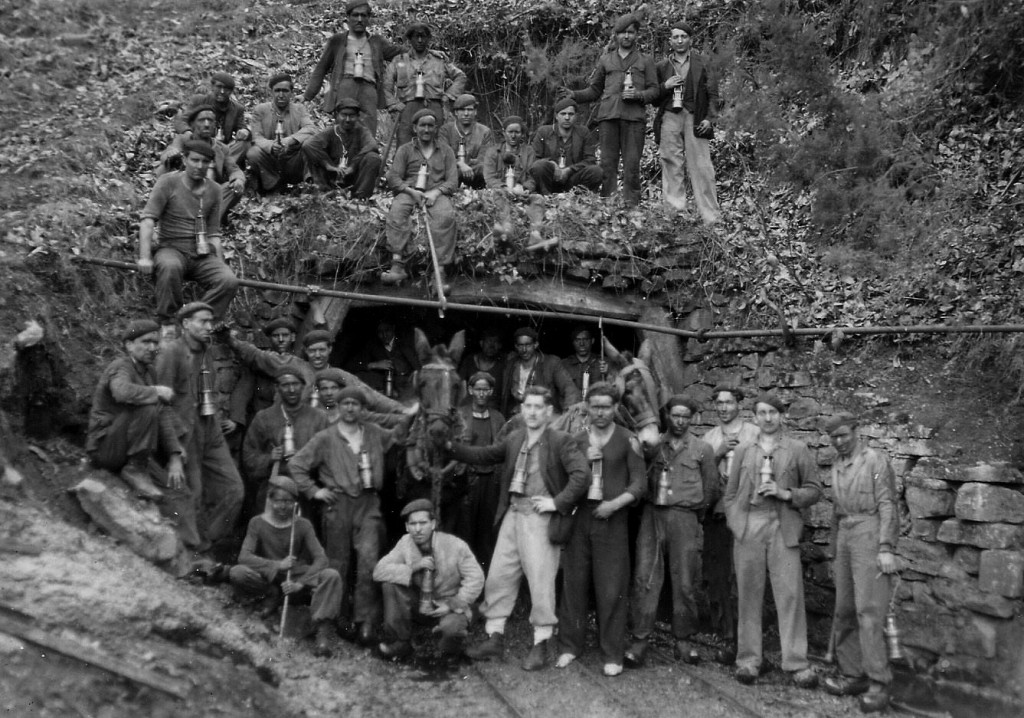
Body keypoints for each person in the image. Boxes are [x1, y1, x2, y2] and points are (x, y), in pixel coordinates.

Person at [450, 386, 588, 671]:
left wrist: (556, 502)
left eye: (539, 407)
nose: (533, 412)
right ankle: (494, 638)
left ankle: (541, 643)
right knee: (499, 576)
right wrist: (449, 448)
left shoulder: (561, 440)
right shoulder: (515, 438)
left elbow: (582, 475)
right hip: (513, 515)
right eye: (528, 407)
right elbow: (485, 455)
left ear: (549, 412)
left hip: (539, 519)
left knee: (540, 582)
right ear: (522, 410)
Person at [289, 386, 411, 644]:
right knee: (337, 564)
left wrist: (412, 414)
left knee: (369, 560)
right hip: (337, 505)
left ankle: (365, 620)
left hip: (368, 505)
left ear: (362, 409)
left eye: (356, 404)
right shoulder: (325, 438)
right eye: (345, 403)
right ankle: (335, 618)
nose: (350, 408)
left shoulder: (374, 433)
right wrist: (315, 492)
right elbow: (296, 464)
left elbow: (398, 437)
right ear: (339, 406)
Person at [724, 393, 822, 688]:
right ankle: (749, 660)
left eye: (773, 413)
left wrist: (786, 494)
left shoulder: (797, 449)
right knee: (749, 594)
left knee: (789, 594)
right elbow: (729, 493)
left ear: (782, 416)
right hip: (750, 527)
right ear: (754, 416)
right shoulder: (743, 450)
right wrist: (735, 521)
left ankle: (796, 662)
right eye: (761, 413)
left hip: (782, 526)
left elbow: (815, 489)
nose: (767, 418)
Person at [557, 383, 646, 677]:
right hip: (580, 519)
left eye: (606, 406)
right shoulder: (576, 440)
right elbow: (564, 480)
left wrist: (615, 504)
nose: (600, 412)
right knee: (574, 583)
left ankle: (612, 652)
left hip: (611, 521)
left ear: (616, 408)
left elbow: (640, 484)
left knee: (611, 588)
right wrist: (584, 460)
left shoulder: (627, 439)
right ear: (586, 407)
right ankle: (571, 645)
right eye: (594, 406)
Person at [625, 396, 718, 666]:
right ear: (667, 416)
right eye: (675, 416)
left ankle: (684, 640)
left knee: (685, 580)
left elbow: (711, 489)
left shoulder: (702, 449)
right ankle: (640, 639)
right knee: (645, 578)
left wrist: (692, 514)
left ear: (693, 418)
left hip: (685, 518)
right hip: (652, 516)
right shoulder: (652, 446)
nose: (680, 421)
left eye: (685, 417)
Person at [821, 413, 899, 713]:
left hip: (869, 533)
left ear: (856, 431)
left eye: (844, 435)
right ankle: (853, 674)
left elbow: (887, 504)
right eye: (834, 437)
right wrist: (833, 549)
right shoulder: (837, 465)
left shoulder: (875, 461)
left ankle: (878, 683)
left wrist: (886, 547)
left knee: (869, 611)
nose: (839, 441)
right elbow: (836, 512)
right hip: (845, 535)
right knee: (844, 609)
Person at [155, 303, 245, 555]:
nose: (208, 327)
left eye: (210, 322)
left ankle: (206, 542)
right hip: (185, 434)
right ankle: (192, 552)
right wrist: (174, 451)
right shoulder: (170, 354)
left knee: (234, 489)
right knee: (192, 494)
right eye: (202, 322)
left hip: (210, 429)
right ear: (185, 324)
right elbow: (162, 406)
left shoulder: (207, 352)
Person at [229, 475, 342, 657]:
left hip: (295, 576)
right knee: (237, 572)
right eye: (278, 501)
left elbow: (321, 559)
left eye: (288, 502)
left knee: (331, 575)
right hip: (271, 576)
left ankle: (322, 632)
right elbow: (244, 557)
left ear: (295, 503)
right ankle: (271, 594)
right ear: (270, 500)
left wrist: (302, 583)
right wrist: (277, 565)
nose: (283, 506)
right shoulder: (257, 523)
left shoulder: (303, 525)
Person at [138, 140, 239, 332]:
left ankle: (196, 321)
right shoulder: (168, 182)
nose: (199, 166)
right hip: (171, 249)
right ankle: (168, 322)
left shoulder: (215, 190)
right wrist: (144, 257)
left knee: (228, 281)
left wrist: (220, 264)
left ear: (210, 163)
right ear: (185, 159)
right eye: (194, 160)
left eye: (204, 162)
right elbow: (148, 220)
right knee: (170, 267)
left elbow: (213, 234)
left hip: (201, 254)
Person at [562, 13, 659, 206]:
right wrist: (574, 95)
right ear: (616, 35)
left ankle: (632, 208)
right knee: (607, 165)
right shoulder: (606, 60)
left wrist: (638, 95)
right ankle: (608, 206)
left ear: (636, 35)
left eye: (630, 32)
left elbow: (655, 91)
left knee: (632, 166)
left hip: (634, 120)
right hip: (608, 118)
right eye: (622, 32)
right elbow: (594, 90)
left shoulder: (645, 60)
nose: (626, 36)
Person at [373, 498, 485, 660]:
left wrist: (451, 604)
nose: (417, 529)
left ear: (433, 524)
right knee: (389, 585)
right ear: (406, 527)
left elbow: (476, 578)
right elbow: (379, 571)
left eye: (423, 523)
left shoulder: (454, 545)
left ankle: (451, 648)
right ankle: (401, 643)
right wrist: (413, 567)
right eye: (412, 524)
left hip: (449, 605)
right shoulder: (405, 543)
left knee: (450, 633)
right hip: (421, 605)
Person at [86, 319, 184, 501]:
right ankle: (135, 470)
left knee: (178, 493)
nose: (152, 347)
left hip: (125, 448)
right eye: (146, 342)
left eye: (155, 342)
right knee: (147, 406)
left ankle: (138, 468)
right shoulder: (120, 366)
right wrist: (156, 391)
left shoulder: (149, 372)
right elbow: (121, 392)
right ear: (129, 345)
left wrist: (174, 454)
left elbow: (161, 412)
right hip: (105, 448)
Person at [700, 384, 759, 664]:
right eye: (719, 403)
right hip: (718, 513)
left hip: (747, 512)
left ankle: (748, 638)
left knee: (743, 575)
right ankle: (727, 637)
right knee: (719, 575)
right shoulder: (709, 438)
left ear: (739, 404)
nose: (724, 408)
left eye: (729, 402)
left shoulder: (754, 433)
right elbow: (699, 472)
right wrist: (718, 453)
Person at [654, 21, 722, 224]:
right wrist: (665, 86)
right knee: (671, 164)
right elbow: (654, 98)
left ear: (691, 39)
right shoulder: (662, 67)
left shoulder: (704, 63)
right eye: (676, 37)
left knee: (702, 167)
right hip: (669, 117)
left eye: (684, 36)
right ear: (670, 41)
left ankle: (711, 218)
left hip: (696, 117)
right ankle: (675, 216)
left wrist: (710, 119)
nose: (680, 40)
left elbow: (714, 94)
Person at [302, 0, 404, 134]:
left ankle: (366, 154)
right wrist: (307, 96)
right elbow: (321, 69)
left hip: (369, 89)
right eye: (355, 15)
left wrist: (427, 52)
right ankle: (343, 154)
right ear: (348, 18)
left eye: (364, 15)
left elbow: (399, 52)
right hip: (345, 87)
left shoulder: (376, 41)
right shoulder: (337, 41)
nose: (360, 19)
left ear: (368, 19)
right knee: (344, 127)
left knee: (368, 129)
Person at [382, 109, 458, 287]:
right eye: (422, 125)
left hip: (436, 193)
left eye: (430, 126)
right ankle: (397, 265)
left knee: (445, 217)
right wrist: (410, 191)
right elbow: (393, 177)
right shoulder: (405, 150)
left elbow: (453, 180)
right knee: (397, 212)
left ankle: (439, 273)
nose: (426, 129)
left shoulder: (446, 151)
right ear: (415, 128)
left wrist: (437, 192)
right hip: (409, 192)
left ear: (436, 128)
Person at [241, 368, 329, 514]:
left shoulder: (319, 417)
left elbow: (330, 455)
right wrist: (269, 458)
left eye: (295, 384)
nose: (291, 389)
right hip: (275, 484)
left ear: (303, 386)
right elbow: (249, 455)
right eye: (285, 385)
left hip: (309, 485)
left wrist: (305, 458)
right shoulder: (264, 418)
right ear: (277, 388)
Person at [158, 104, 246, 223]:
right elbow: (167, 154)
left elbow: (234, 168)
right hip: (184, 194)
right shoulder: (183, 140)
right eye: (201, 120)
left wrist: (238, 179)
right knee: (164, 170)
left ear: (215, 125)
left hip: (210, 196)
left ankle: (208, 223)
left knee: (232, 188)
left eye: (210, 120)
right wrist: (172, 154)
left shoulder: (221, 148)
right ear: (192, 124)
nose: (206, 124)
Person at [384, 21, 466, 146]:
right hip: (408, 109)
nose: (420, 40)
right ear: (410, 39)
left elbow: (460, 76)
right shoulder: (399, 61)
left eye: (423, 37)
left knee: (436, 145)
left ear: (428, 39)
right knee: (405, 145)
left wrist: (448, 96)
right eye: (416, 37)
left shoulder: (439, 60)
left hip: (434, 107)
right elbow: (386, 85)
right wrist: (394, 104)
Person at [454, 371, 505, 570]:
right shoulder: (460, 415)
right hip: (467, 480)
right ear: (470, 390)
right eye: (478, 389)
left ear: (491, 391)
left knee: (487, 532)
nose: (482, 394)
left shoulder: (498, 418)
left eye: (486, 390)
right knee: (465, 530)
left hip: (491, 481)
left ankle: (485, 579)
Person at [247, 73, 316, 194]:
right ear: (271, 92)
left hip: (293, 160)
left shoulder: (299, 109)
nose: (281, 95)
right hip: (270, 160)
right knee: (253, 152)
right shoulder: (260, 110)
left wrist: (289, 140)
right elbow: (256, 137)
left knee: (310, 144)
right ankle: (273, 187)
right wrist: (271, 146)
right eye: (277, 90)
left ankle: (309, 187)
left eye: (285, 91)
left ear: (291, 92)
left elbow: (311, 128)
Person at [302, 98, 382, 197]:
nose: (347, 120)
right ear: (337, 116)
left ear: (357, 117)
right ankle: (322, 191)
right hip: (331, 176)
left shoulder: (362, 132)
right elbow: (308, 145)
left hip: (353, 177)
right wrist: (328, 165)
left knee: (373, 158)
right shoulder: (330, 132)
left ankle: (360, 196)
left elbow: (372, 145)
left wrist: (353, 166)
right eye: (344, 115)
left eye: (352, 116)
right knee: (311, 155)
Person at [172, 72, 251, 167]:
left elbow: (241, 126)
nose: (222, 91)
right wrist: (188, 132)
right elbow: (182, 120)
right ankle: (215, 166)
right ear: (212, 87)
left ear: (231, 91)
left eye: (226, 89)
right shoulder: (200, 101)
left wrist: (244, 131)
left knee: (244, 144)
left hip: (222, 148)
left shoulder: (237, 109)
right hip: (199, 144)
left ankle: (221, 166)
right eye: (219, 87)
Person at [528, 98, 603, 195]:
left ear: (576, 116)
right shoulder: (544, 132)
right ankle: (546, 197)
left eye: (570, 114)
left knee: (596, 171)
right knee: (539, 166)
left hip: (573, 179)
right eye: (563, 114)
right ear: (556, 116)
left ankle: (579, 199)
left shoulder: (583, 132)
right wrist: (551, 164)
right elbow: (534, 159)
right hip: (549, 179)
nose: (567, 117)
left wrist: (569, 170)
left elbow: (590, 160)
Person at [500, 327, 580, 416]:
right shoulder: (510, 365)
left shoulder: (550, 363)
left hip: (545, 416)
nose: (524, 349)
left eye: (528, 345)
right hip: (518, 416)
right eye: (520, 345)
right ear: (516, 346)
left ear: (536, 344)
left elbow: (569, 388)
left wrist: (567, 415)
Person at [343, 319, 420, 398]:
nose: (384, 335)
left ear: (393, 328)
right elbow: (351, 365)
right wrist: (374, 365)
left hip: (407, 383)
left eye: (387, 330)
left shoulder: (405, 343)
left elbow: (418, 366)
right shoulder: (373, 345)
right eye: (380, 332)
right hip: (385, 383)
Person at [437, 93, 493, 189]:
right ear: (456, 112)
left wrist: (469, 165)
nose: (466, 113)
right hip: (453, 170)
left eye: (470, 110)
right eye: (462, 110)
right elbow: (443, 154)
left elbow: (484, 159)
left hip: (474, 172)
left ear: (475, 112)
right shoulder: (446, 130)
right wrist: (460, 164)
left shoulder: (484, 131)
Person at [483, 116, 537, 194]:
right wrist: (504, 188)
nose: (513, 136)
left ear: (522, 133)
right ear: (504, 132)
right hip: (498, 191)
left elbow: (532, 177)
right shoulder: (492, 152)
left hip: (521, 191)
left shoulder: (529, 152)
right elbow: (489, 177)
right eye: (510, 132)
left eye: (517, 132)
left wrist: (525, 188)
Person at [457, 327, 507, 408]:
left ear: (500, 346)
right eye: (488, 341)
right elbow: (460, 386)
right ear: (481, 343)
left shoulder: (504, 364)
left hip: (493, 409)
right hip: (470, 408)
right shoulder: (469, 361)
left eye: (495, 342)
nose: (491, 346)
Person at [559, 326, 606, 396]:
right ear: (573, 342)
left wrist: (606, 373)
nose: (581, 344)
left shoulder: (602, 363)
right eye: (577, 340)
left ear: (592, 341)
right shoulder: (564, 364)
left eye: (585, 339)